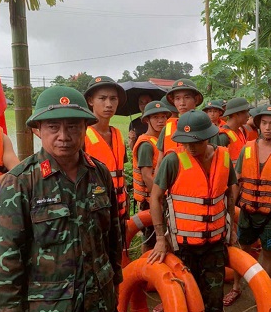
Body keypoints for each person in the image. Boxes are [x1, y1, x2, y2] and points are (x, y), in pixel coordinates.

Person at [0, 86, 123, 312]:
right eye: (53, 127)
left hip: (96, 307)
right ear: (38, 130)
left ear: (85, 128)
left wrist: (115, 281)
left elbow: (113, 235)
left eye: (72, 126)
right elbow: (6, 257)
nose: (64, 136)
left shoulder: (100, 175)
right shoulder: (19, 182)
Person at [147, 110, 237, 312]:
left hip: (214, 244)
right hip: (182, 246)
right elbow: (155, 198)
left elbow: (230, 194)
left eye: (196, 142)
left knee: (213, 300)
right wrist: (160, 239)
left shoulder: (223, 157)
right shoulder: (172, 160)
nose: (191, 147)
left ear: (209, 137)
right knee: (185, 302)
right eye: (186, 142)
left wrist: (233, 230)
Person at [223, 105, 271, 306]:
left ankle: (262, 292)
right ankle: (236, 287)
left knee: (267, 252)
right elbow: (237, 182)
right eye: (264, 123)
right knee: (242, 250)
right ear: (258, 125)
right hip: (247, 211)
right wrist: (229, 212)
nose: (267, 128)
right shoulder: (247, 148)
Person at [84, 76, 129, 238]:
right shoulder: (82, 135)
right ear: (90, 101)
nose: (108, 104)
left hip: (119, 210)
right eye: (102, 98)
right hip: (93, 216)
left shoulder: (117, 135)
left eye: (113, 99)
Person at [132, 100, 171, 252]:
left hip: (159, 198)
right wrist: (158, 197)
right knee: (151, 238)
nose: (160, 120)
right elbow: (147, 176)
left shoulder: (162, 141)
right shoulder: (146, 145)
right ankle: (145, 269)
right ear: (147, 120)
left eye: (163, 116)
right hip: (151, 200)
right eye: (155, 117)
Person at [156, 79, 204, 165]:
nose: (182, 103)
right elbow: (160, 162)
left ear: (196, 99)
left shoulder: (206, 127)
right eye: (177, 98)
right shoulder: (167, 129)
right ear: (173, 101)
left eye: (187, 97)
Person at [218, 98, 250, 165]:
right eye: (246, 112)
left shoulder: (241, 131)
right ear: (237, 114)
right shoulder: (223, 136)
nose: (248, 115)